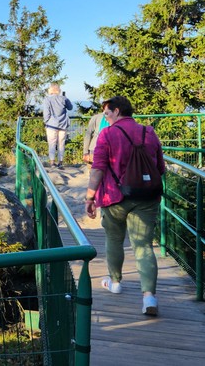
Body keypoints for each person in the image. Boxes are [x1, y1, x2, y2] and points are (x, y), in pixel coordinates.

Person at [85, 96, 166, 316]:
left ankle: (115, 282)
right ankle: (149, 297)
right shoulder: (148, 132)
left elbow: (98, 168)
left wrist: (90, 197)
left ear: (117, 111)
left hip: (115, 197)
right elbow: (160, 167)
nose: (106, 117)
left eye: (107, 113)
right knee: (144, 246)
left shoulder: (107, 134)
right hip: (147, 197)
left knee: (114, 239)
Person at [42, 83, 72, 169]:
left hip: (51, 125)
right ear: (58, 90)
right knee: (61, 144)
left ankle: (52, 163)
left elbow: (46, 113)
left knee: (52, 143)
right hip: (63, 124)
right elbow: (70, 108)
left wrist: (46, 122)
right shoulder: (64, 98)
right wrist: (65, 98)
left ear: (50, 90)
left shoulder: (47, 99)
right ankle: (60, 162)